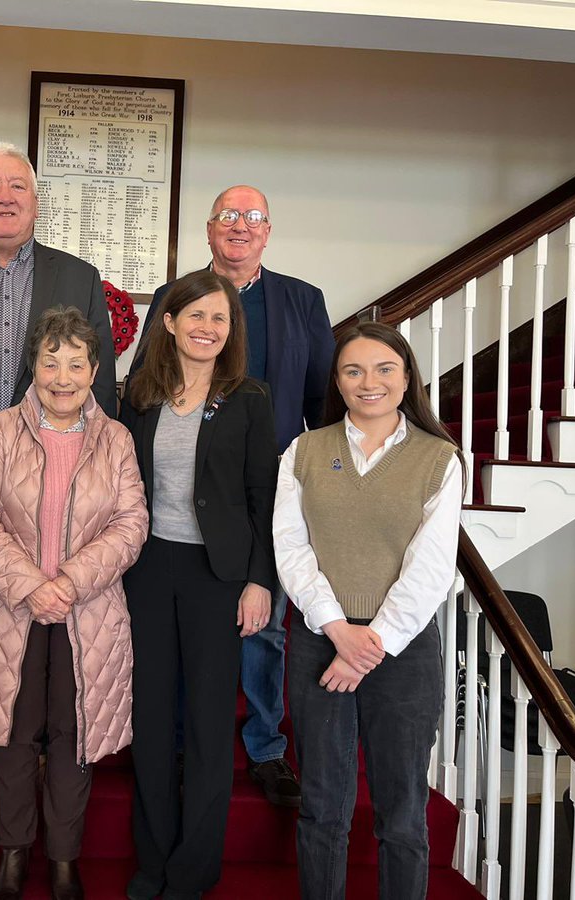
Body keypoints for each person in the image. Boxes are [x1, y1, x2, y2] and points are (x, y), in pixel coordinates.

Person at [0, 141, 119, 797]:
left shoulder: (77, 276)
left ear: (36, 203)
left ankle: (29, 735)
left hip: (46, 473)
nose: (5, 198)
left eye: (18, 187)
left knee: (36, 606)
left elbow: (103, 386)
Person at [129, 185, 333, 807]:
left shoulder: (302, 301)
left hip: (267, 489)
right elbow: (142, 387)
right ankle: (190, 742)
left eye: (252, 218)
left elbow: (324, 398)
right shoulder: (178, 298)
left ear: (267, 232)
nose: (239, 227)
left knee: (265, 624)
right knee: (188, 633)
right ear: (209, 230)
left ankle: (265, 746)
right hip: (182, 497)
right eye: (227, 217)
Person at [0, 307, 148, 900]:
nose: (62, 377)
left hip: (89, 615)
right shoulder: (3, 430)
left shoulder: (116, 439)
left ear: (94, 371)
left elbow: (132, 523)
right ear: (32, 365)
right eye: (50, 361)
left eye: (76, 364)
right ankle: (12, 855)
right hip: (10, 610)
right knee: (12, 735)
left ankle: (63, 859)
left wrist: (69, 582)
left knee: (73, 735)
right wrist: (33, 585)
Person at [273, 321, 463, 900]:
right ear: (337, 380)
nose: (368, 382)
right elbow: (292, 548)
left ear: (407, 380)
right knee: (323, 808)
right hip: (319, 641)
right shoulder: (304, 451)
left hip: (401, 654)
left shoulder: (440, 459)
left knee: (402, 814)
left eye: (385, 369)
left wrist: (366, 646)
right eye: (353, 370)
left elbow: (431, 568)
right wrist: (337, 629)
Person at [121, 269, 279, 900]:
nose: (208, 329)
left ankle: (192, 872)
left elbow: (263, 500)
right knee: (153, 721)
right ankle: (153, 860)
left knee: (210, 725)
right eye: (196, 316)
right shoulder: (137, 395)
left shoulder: (249, 398)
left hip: (220, 577)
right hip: (149, 570)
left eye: (220, 319)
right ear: (169, 322)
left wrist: (258, 581)